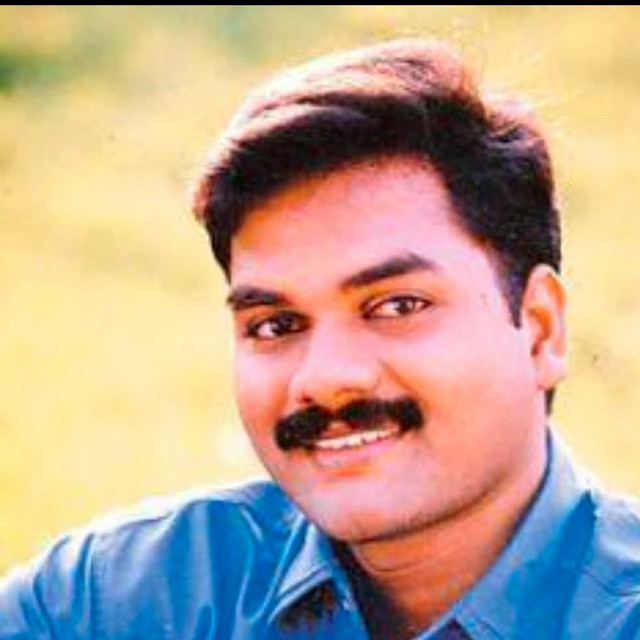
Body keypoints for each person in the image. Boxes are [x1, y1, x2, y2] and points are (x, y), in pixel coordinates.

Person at [1, 37, 639, 640]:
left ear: (540, 329)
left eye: (396, 306)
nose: (326, 378)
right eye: (276, 325)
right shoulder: (104, 604)